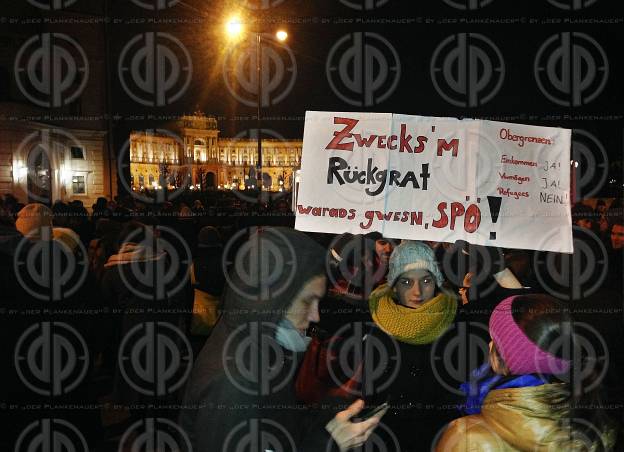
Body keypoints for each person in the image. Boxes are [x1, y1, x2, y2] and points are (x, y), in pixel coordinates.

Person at [179, 227, 386, 451]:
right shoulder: (236, 384)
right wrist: (329, 443)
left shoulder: (257, 344)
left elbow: (278, 429)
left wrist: (326, 417)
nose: (316, 315)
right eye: (308, 301)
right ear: (274, 299)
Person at [436, 294, 618, 451]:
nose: (489, 345)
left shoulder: (468, 437)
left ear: (507, 361)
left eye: (493, 341)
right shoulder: (591, 421)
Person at [358, 240, 461, 450]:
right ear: (394, 286)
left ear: (437, 282)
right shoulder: (376, 322)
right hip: (385, 438)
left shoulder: (455, 322)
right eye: (406, 282)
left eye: (426, 280)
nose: (417, 292)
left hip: (439, 438)